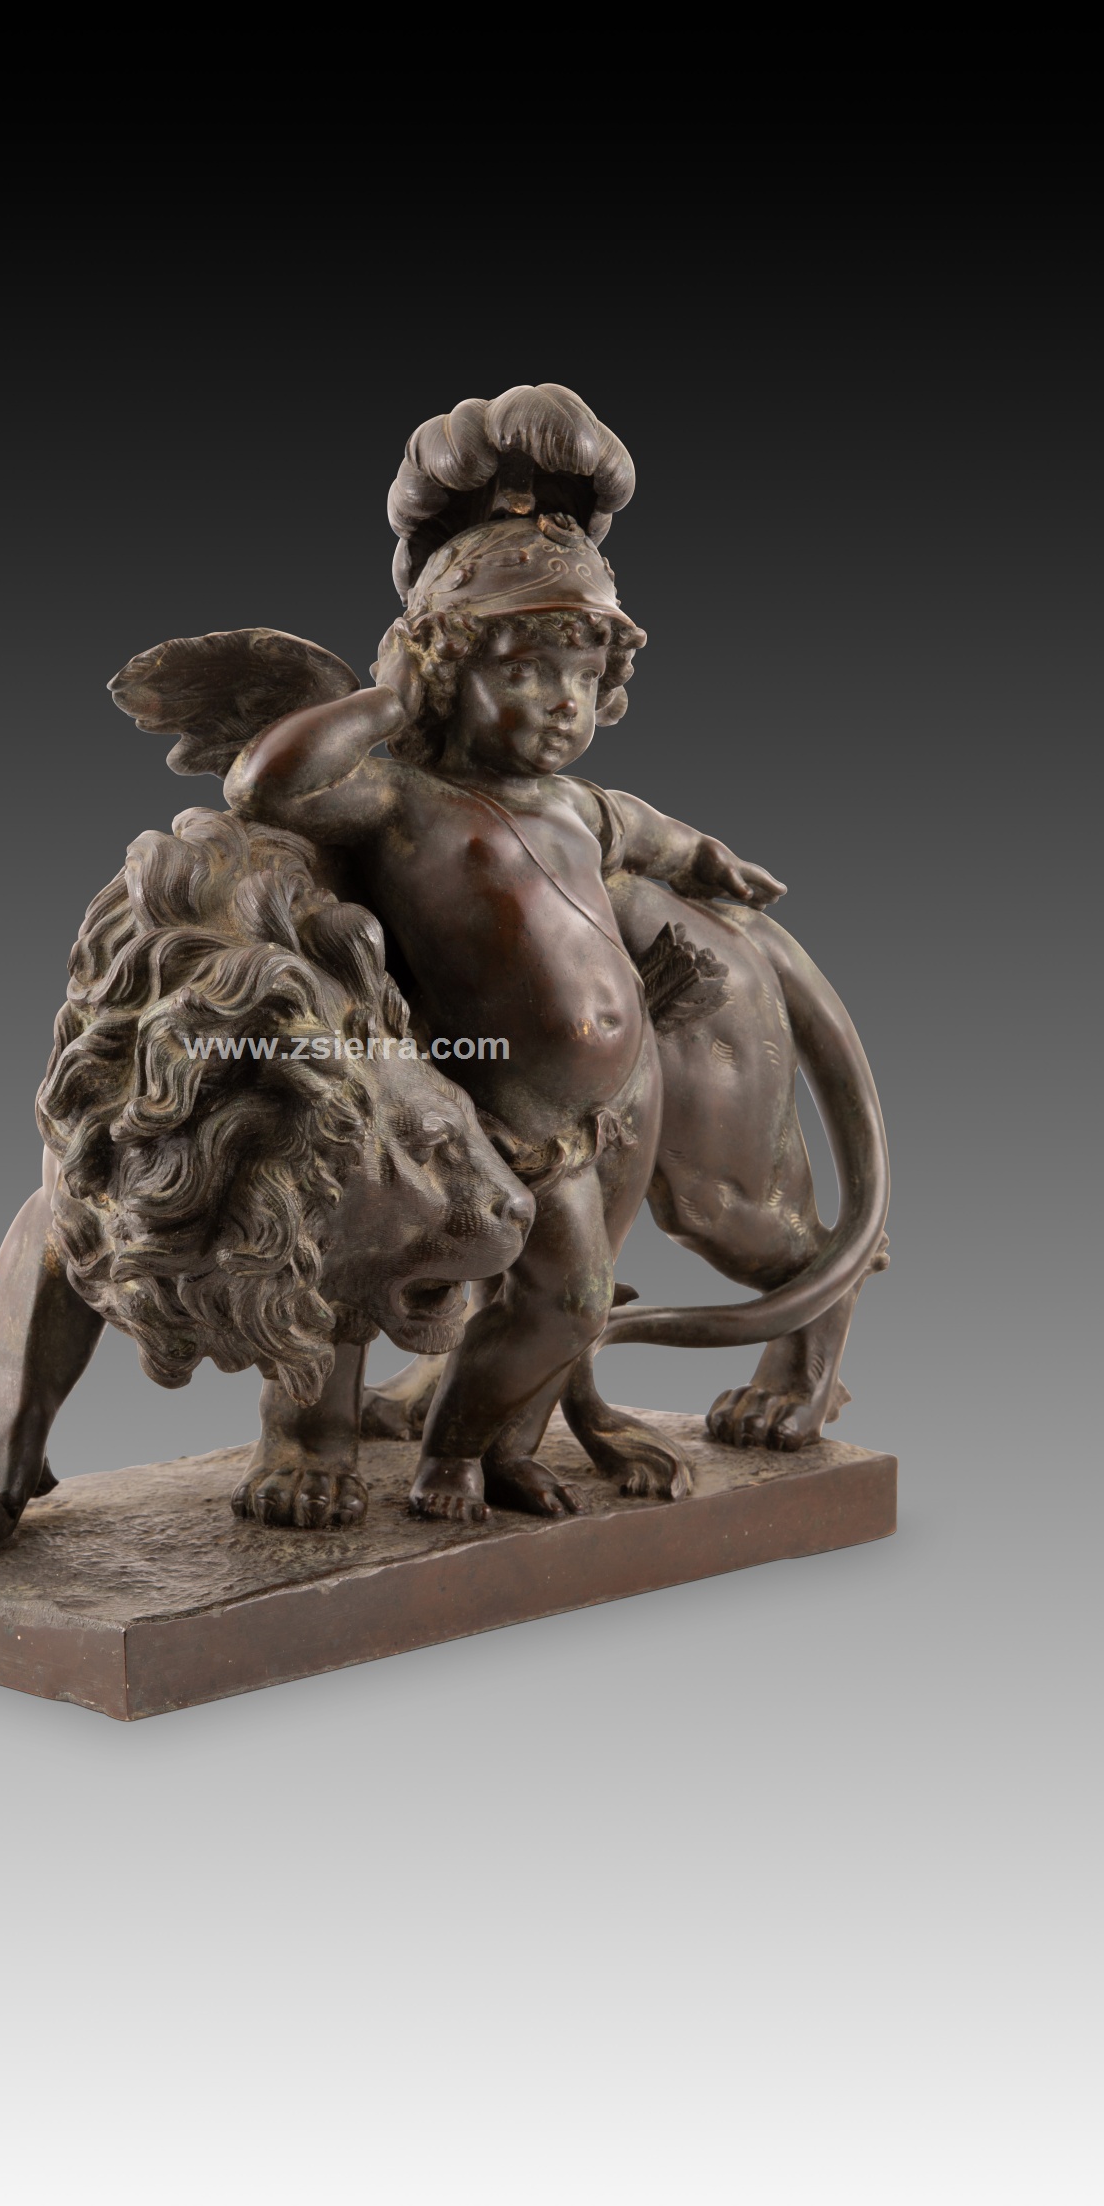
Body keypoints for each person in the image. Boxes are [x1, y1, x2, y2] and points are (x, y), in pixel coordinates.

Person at [226, 506, 783, 1521]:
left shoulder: (575, 806)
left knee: (568, 1305)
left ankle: (467, 1450)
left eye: (584, 677)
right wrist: (387, 697)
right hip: (469, 1127)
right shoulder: (402, 801)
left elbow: (652, 835)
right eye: (524, 672)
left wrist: (712, 860)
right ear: (448, 674)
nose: (563, 702)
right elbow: (266, 785)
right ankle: (376, 1450)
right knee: (384, 1277)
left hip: (585, 1123)